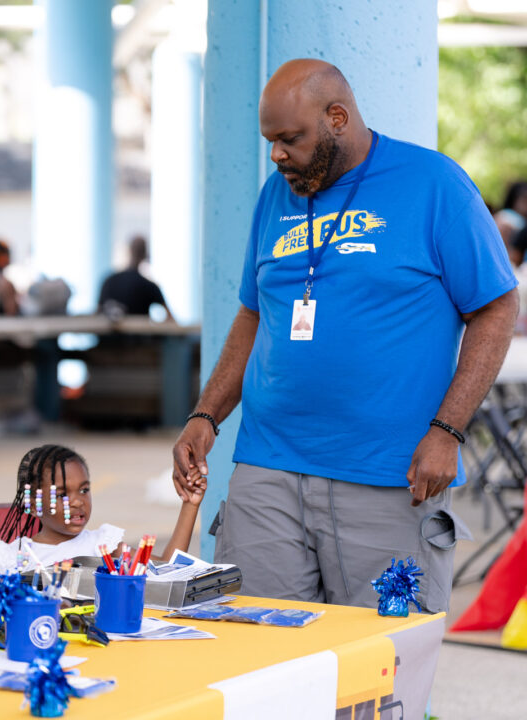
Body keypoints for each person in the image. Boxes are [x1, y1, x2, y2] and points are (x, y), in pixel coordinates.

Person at [172, 59, 519, 612]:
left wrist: (448, 431)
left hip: (390, 474)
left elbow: (497, 307)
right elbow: (252, 313)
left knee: (380, 671)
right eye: (271, 140)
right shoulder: (275, 195)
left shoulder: (433, 185)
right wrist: (205, 414)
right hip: (268, 468)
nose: (276, 155)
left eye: (290, 139)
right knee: (258, 662)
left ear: (338, 117)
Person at [0, 444, 205, 578]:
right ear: (32, 502)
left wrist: (190, 504)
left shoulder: (104, 547)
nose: (78, 502)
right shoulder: (11, 558)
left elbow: (168, 569)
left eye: (84, 490)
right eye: (62, 494)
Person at [98, 236, 173, 319]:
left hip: (110, 332)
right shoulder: (149, 286)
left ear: (128, 251)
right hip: (140, 332)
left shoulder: (109, 281)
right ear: (145, 254)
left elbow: (97, 314)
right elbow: (170, 318)